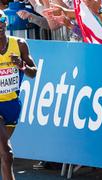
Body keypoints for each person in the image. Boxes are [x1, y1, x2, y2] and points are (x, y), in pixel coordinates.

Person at [0, 10, 37, 180]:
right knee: (7, 153)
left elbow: (34, 72)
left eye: (1, 20)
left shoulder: (20, 44)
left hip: (12, 106)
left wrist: (21, 65)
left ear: (6, 23)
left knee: (2, 154)